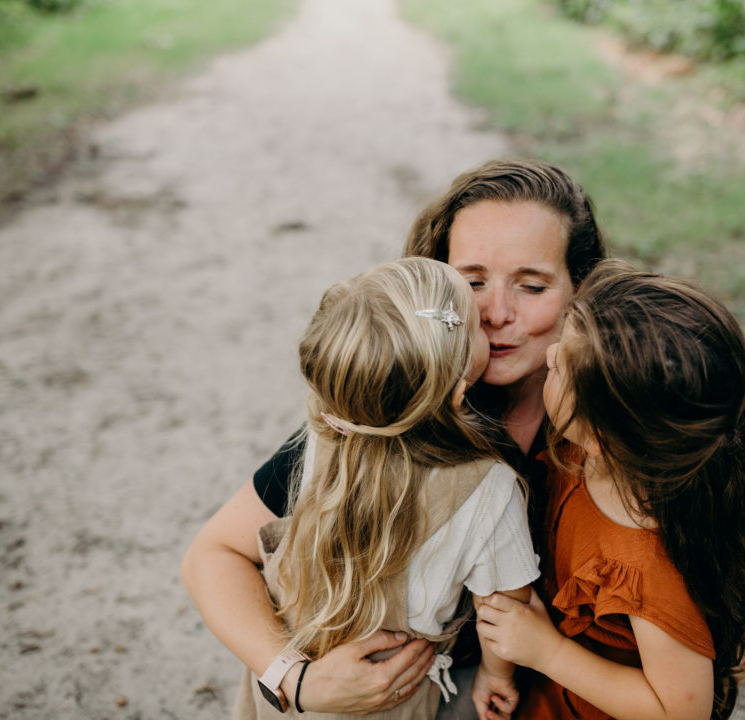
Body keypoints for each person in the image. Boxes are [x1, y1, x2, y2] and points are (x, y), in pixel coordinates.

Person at [181, 159, 607, 717]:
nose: (496, 313)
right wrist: (296, 678)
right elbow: (212, 555)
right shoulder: (373, 418)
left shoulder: (609, 426)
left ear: (583, 289)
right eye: (472, 282)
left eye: (531, 285)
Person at [216, 257, 539, 719]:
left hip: (285, 704)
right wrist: (496, 675)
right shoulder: (489, 489)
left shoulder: (321, 442)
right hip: (394, 700)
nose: (489, 317)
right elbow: (504, 610)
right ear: (455, 392)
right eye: (474, 321)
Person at [475, 261, 745, 720]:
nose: (551, 354)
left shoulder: (648, 567)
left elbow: (680, 712)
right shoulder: (589, 449)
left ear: (601, 436)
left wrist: (547, 651)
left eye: (562, 366)